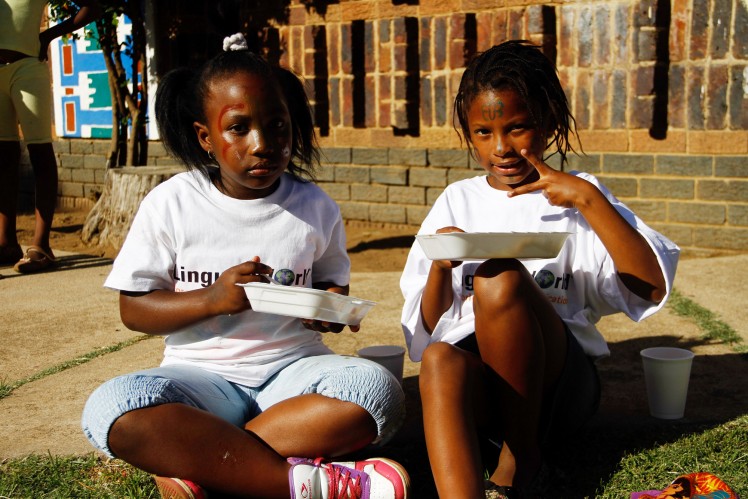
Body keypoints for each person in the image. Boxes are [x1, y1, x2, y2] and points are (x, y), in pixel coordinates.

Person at [81, 33, 409, 499]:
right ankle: (295, 480)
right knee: (112, 408)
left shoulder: (313, 206)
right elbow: (134, 310)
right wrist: (212, 298)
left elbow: (332, 282)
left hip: (295, 373)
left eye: (278, 126)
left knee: (377, 393)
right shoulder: (172, 204)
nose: (262, 144)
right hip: (200, 379)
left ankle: (208, 461)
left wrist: (330, 308)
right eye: (239, 128)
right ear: (206, 138)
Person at [400, 40, 680, 498]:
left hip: (559, 388)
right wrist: (439, 267)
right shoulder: (457, 200)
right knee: (438, 359)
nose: (502, 148)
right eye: (483, 133)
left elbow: (648, 289)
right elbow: (427, 330)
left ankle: (522, 458)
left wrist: (588, 201)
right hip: (482, 392)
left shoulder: (577, 196)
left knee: (499, 276)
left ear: (548, 120)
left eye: (518, 127)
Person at [0, 0, 101, 272]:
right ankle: (6, 242)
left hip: (27, 69)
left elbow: (93, 6)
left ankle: (42, 246)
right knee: (3, 156)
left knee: (39, 151)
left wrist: (48, 35)